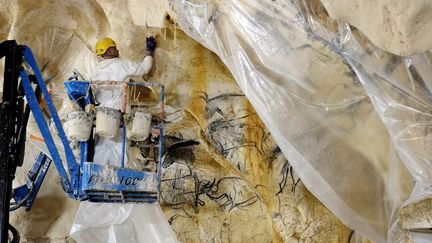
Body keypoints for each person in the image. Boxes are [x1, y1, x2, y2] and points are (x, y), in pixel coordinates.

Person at [91, 37, 157, 167]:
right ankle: (118, 175)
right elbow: (143, 69)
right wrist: (149, 52)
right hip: (117, 110)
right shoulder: (120, 64)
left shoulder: (96, 70)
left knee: (102, 144)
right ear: (108, 51)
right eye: (114, 48)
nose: (117, 50)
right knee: (118, 144)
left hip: (102, 113)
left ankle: (98, 173)